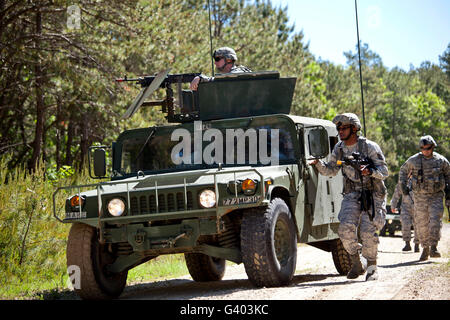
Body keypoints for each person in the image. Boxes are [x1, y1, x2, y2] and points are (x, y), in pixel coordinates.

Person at [310, 113, 388, 281]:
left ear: (354, 129)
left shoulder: (370, 147)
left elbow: (384, 172)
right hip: (352, 193)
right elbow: (331, 170)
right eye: (338, 128)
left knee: (368, 230)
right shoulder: (339, 148)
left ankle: (372, 267)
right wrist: (317, 164)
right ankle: (356, 262)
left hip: (373, 192)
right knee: (344, 228)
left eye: (343, 128)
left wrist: (370, 171)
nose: (340, 131)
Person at [398, 135, 450, 261]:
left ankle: (433, 246)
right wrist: (403, 186)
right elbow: (403, 171)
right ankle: (425, 248)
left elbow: (449, 175)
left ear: (433, 147)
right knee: (421, 224)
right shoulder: (414, 160)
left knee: (435, 221)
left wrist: (448, 193)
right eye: (423, 148)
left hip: (436, 195)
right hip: (419, 196)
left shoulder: (441, 161)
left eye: (428, 148)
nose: (425, 151)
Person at [390, 180, 419, 252]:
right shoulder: (403, 182)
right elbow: (396, 194)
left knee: (418, 226)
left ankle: (417, 244)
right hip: (405, 207)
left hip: (418, 207)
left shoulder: (419, 179)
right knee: (405, 224)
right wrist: (393, 206)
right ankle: (407, 244)